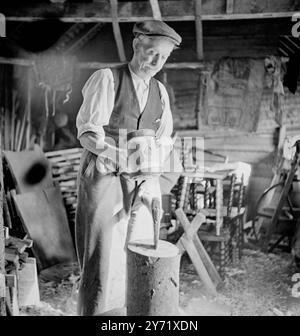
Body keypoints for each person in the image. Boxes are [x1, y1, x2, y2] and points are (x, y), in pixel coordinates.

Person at [75, 20, 182, 315]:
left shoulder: (160, 92)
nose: (156, 62)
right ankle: (96, 313)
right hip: (104, 176)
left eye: (163, 57)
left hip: (139, 178)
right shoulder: (107, 78)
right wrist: (120, 156)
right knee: (102, 254)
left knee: (136, 247)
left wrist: (150, 178)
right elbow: (87, 133)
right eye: (151, 53)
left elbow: (163, 142)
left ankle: (126, 314)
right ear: (137, 45)